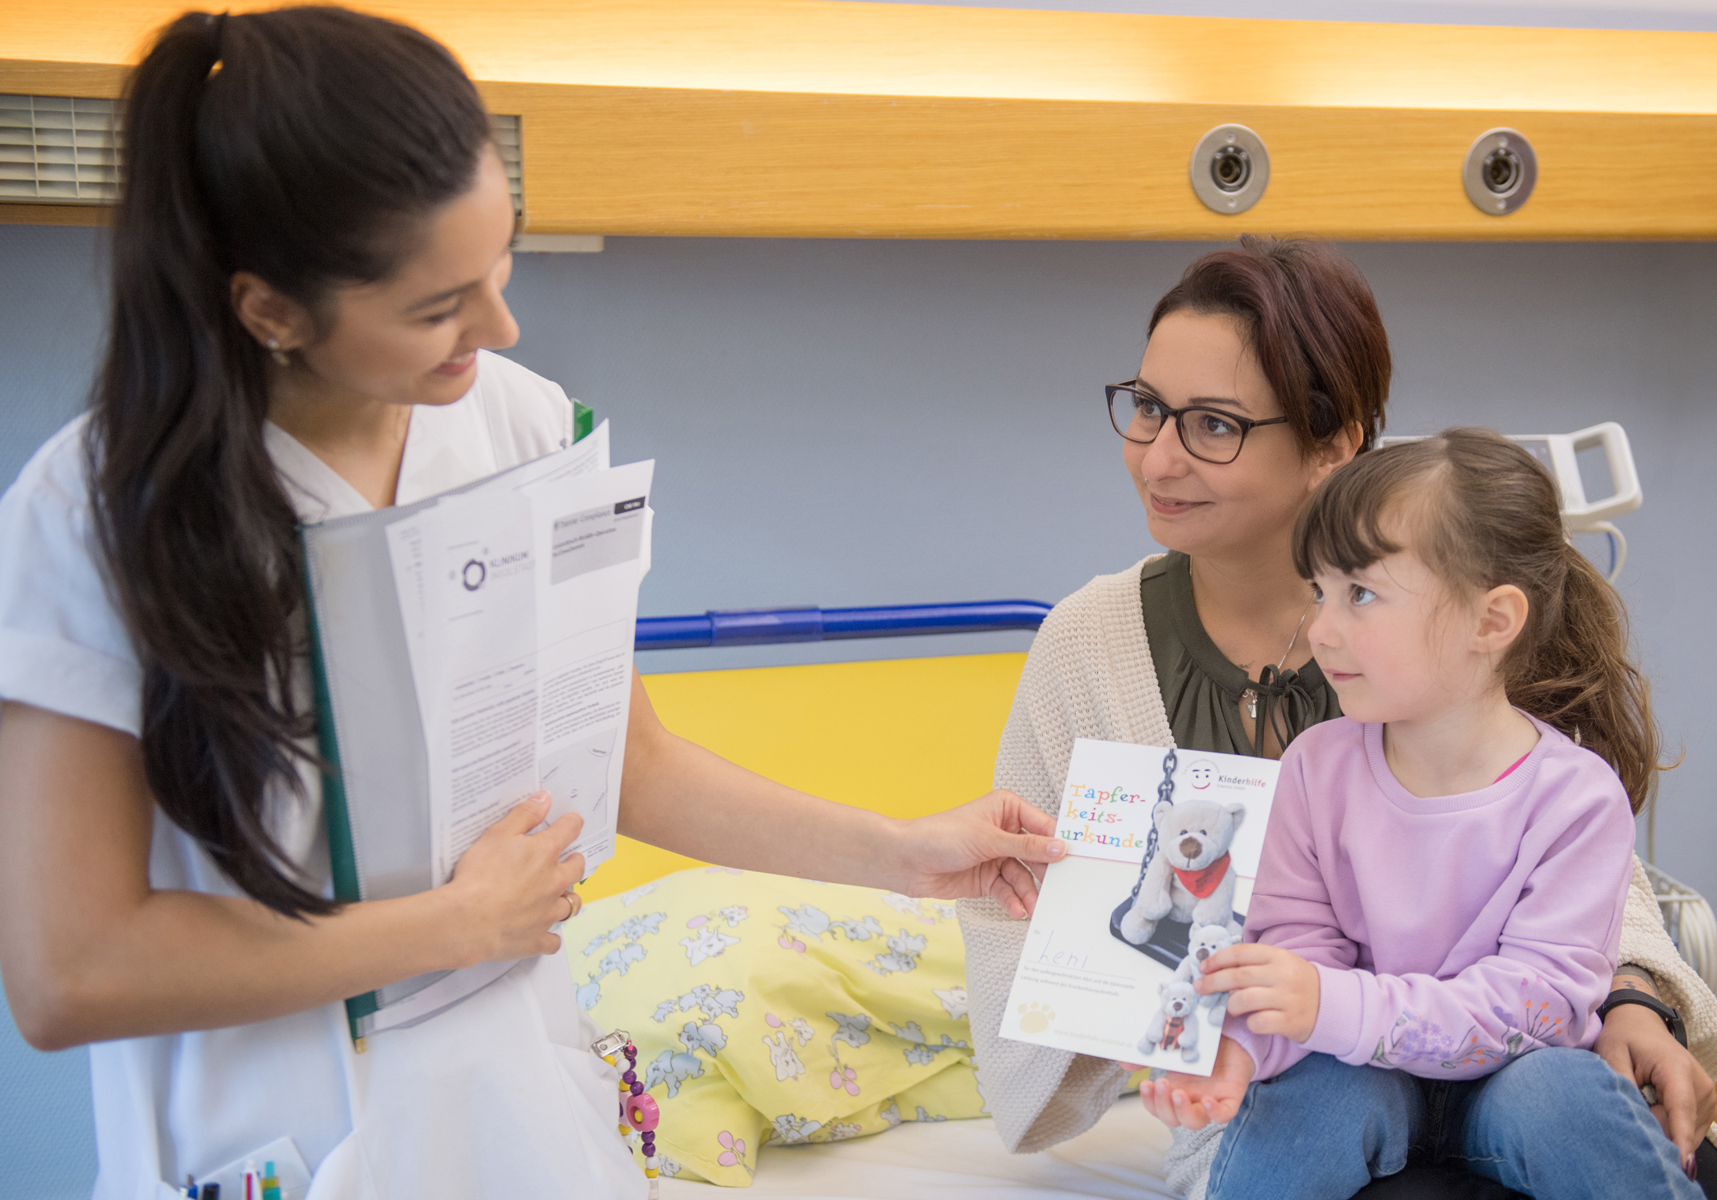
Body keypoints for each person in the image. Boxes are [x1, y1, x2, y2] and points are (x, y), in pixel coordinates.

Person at [0, 9, 1063, 1198]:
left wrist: (904, 852)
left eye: (500, 262)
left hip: (504, 1099)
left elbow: (626, 762)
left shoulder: (513, 428)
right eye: (436, 306)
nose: (499, 328)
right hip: (264, 1127)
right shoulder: (90, 520)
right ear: (270, 310)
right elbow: (71, 971)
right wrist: (458, 924)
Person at [958, 237, 1717, 1200]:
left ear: (1333, 447)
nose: (1158, 455)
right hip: (1307, 1082)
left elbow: (1583, 911)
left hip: (1528, 1070)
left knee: (1579, 1123)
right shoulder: (1090, 650)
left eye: (1213, 424)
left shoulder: (1458, 612)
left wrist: (1635, 999)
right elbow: (1044, 948)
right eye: (1146, 408)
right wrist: (1201, 1030)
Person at [1184, 427, 1689, 1198]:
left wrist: (1334, 1005)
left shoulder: (1577, 798)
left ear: (1491, 622)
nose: (1320, 628)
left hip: (1517, 1081)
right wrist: (1239, 1054)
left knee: (1562, 1097)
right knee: (1310, 1099)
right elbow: (1298, 962)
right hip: (1360, 1076)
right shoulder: (1313, 772)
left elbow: (1542, 1005)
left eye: (1360, 593)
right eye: (1318, 592)